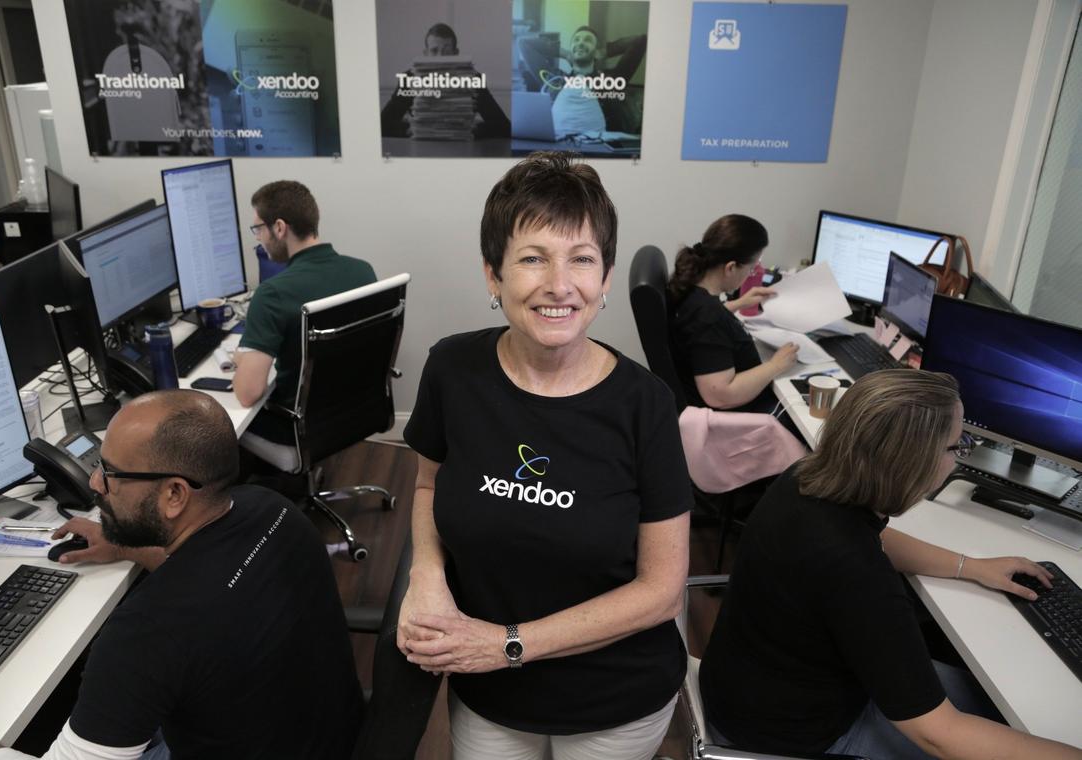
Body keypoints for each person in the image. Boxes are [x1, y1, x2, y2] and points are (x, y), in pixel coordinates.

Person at [398, 151, 693, 759]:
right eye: (532, 258)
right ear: (492, 274)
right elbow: (429, 485)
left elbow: (662, 591)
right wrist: (426, 577)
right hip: (489, 693)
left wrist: (507, 644)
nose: (559, 285)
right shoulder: (453, 370)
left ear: (606, 278)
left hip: (613, 700)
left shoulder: (647, 405)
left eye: (582, 259)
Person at [0, 390, 363, 760]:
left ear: (175, 494)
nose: (93, 482)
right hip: (326, 734)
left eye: (109, 473)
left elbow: (187, 611)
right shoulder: (271, 508)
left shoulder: (145, 633)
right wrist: (123, 543)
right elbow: (214, 581)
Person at [700, 369, 1082, 760]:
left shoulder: (806, 479)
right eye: (957, 446)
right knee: (1012, 722)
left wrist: (971, 566)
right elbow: (939, 735)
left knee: (994, 705)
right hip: (792, 736)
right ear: (911, 462)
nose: (959, 457)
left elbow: (874, 538)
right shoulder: (856, 571)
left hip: (746, 687)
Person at [234, 180, 376, 443]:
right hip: (354, 413)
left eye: (258, 229)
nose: (258, 239)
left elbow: (247, 393)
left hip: (293, 428)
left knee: (223, 423)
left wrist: (242, 359)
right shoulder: (363, 271)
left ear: (279, 227)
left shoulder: (272, 294)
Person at [667, 214, 798, 414]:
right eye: (752, 268)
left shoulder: (693, 291)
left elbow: (699, 328)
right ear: (731, 267)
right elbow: (720, 394)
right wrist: (776, 365)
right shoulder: (706, 318)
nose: (752, 273)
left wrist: (739, 303)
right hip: (737, 421)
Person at [380, 22, 511, 140]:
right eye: (434, 51)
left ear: (456, 53)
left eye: (446, 51)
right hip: (421, 148)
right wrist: (414, 129)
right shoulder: (409, 79)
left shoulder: (474, 80)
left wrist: (470, 129)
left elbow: (503, 126)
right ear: (425, 54)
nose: (440, 57)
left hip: (462, 149)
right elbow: (383, 124)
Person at [518, 26, 646, 140]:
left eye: (588, 40)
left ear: (596, 50)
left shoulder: (611, 80)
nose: (580, 43)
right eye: (576, 40)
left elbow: (639, 41)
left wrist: (604, 52)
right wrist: (565, 53)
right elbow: (524, 43)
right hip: (558, 148)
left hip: (599, 150)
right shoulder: (555, 79)